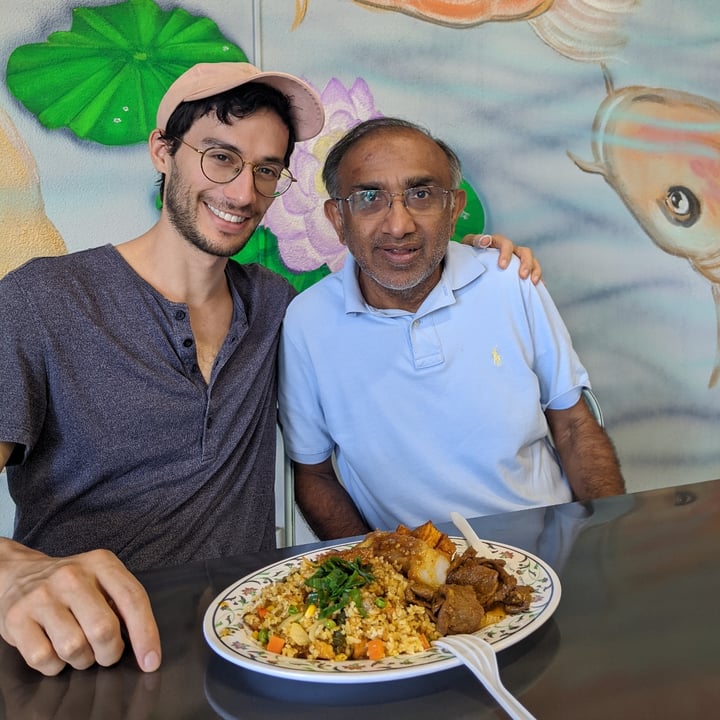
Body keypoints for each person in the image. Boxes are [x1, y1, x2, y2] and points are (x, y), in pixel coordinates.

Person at [0, 63, 539, 676]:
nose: (242, 192)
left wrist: (482, 267)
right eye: (220, 158)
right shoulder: (43, 300)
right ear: (162, 152)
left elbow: (392, 301)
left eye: (265, 171)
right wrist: (10, 573)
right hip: (78, 651)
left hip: (253, 648)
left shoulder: (280, 309)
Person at [278, 117, 625, 541]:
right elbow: (314, 475)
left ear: (454, 207)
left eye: (421, 194)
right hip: (411, 590)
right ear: (338, 217)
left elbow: (573, 426)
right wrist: (379, 577)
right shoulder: (307, 321)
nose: (398, 225)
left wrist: (610, 542)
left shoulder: (508, 280)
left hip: (546, 562)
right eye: (369, 197)